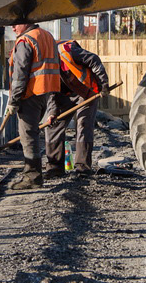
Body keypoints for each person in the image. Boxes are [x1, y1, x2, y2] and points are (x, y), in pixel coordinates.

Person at [6, 21, 61, 190]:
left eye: (15, 25)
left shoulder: (25, 41)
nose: (13, 28)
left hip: (30, 93)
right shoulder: (47, 36)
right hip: (45, 92)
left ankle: (32, 177)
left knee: (28, 135)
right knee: (33, 134)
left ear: (25, 23)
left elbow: (20, 74)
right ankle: (34, 175)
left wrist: (14, 100)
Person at [45, 39, 109, 176]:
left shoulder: (67, 51)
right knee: (53, 125)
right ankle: (54, 168)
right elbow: (49, 91)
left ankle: (83, 168)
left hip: (86, 92)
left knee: (83, 125)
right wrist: (52, 112)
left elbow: (94, 59)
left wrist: (103, 85)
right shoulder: (44, 65)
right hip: (63, 95)